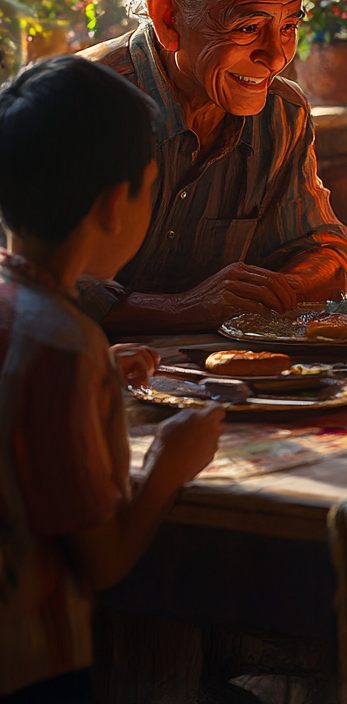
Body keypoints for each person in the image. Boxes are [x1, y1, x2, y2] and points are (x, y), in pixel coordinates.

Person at [0, 57, 224, 702]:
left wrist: (100, 381)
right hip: (35, 662)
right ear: (110, 206)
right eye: (152, 185)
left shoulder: (39, 329)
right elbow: (104, 561)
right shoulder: (67, 346)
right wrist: (168, 464)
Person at [79, 0, 347, 332]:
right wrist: (179, 309)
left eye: (288, 27)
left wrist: (278, 291)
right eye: (247, 27)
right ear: (169, 17)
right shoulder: (77, 104)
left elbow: (323, 249)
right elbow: (26, 280)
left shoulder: (280, 114)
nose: (276, 57)